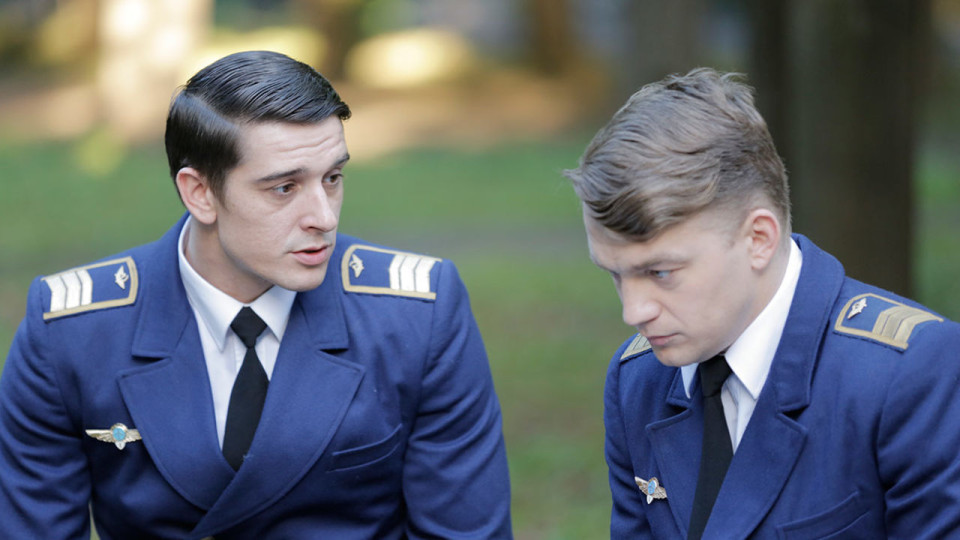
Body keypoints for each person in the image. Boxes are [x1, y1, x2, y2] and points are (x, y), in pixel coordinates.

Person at [0, 50, 511, 539]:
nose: (324, 217)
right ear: (200, 192)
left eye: (333, 178)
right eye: (284, 188)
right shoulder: (73, 331)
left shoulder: (416, 316)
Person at [564, 67, 960, 539]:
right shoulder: (638, 380)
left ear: (758, 239)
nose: (634, 312)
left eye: (660, 272)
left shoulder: (905, 375)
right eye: (615, 274)